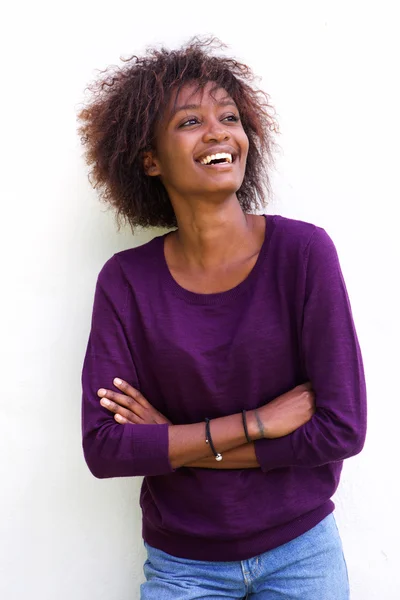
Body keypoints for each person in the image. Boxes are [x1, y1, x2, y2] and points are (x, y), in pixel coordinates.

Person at [78, 37, 366, 599]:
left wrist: (171, 441)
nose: (218, 132)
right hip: (182, 563)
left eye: (229, 117)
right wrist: (256, 423)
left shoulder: (303, 255)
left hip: (302, 552)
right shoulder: (126, 282)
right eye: (190, 120)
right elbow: (106, 448)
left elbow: (341, 427)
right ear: (149, 158)